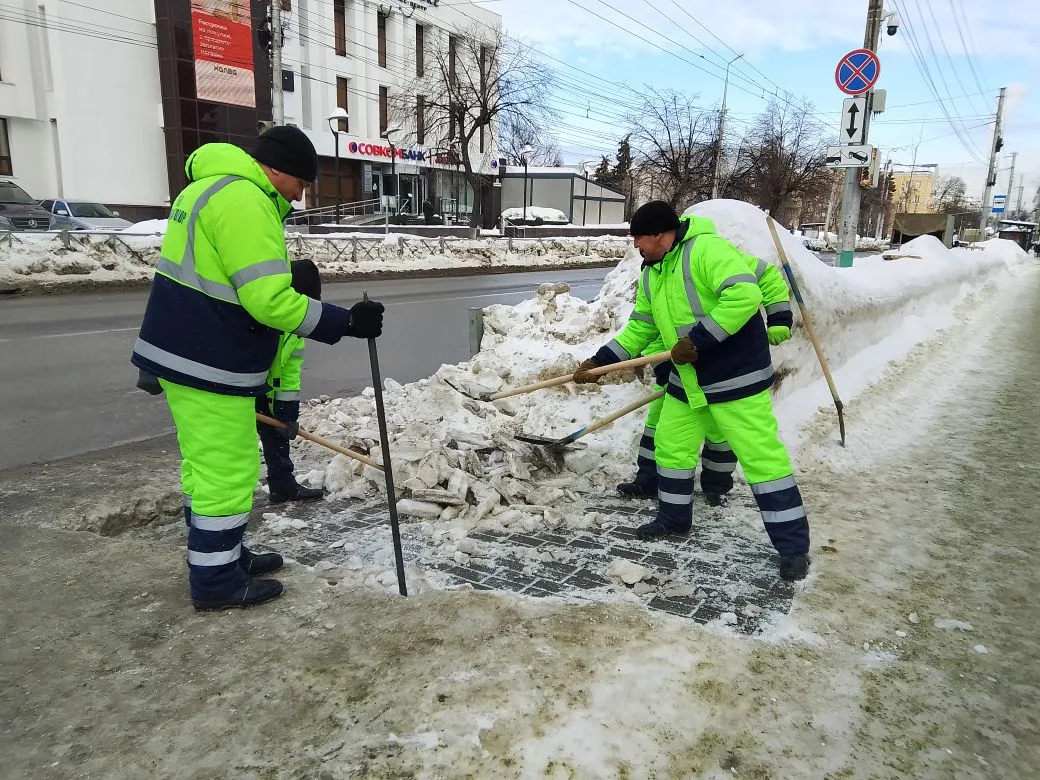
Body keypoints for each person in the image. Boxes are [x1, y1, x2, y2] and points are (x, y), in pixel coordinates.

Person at [131, 125, 385, 611]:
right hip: (206, 358)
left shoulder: (210, 187)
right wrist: (345, 322)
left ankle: (227, 556)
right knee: (226, 472)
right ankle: (216, 583)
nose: (301, 195)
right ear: (280, 170)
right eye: (302, 184)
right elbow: (268, 299)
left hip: (196, 351)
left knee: (207, 467)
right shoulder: (246, 200)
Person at [573, 201, 810, 581]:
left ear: (660, 235)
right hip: (689, 381)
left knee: (763, 461)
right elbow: (642, 328)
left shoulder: (706, 250)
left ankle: (794, 548)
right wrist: (600, 361)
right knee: (670, 447)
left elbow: (745, 296)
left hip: (735, 378)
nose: (636, 247)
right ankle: (673, 519)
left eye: (639, 239)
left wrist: (699, 339)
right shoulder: (653, 273)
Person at [617, 246, 795, 506]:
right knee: (659, 426)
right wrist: (663, 368)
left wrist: (779, 317)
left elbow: (765, 275)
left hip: (723, 366)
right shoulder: (653, 273)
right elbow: (650, 327)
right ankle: (649, 480)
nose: (637, 247)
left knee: (721, 429)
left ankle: (716, 486)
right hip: (680, 367)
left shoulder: (709, 256)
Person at [255, 257, 325, 504]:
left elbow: (289, 369)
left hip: (263, 386)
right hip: (236, 384)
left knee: (276, 430)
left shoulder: (294, 327)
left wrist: (286, 412)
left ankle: (282, 485)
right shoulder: (263, 315)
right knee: (234, 449)